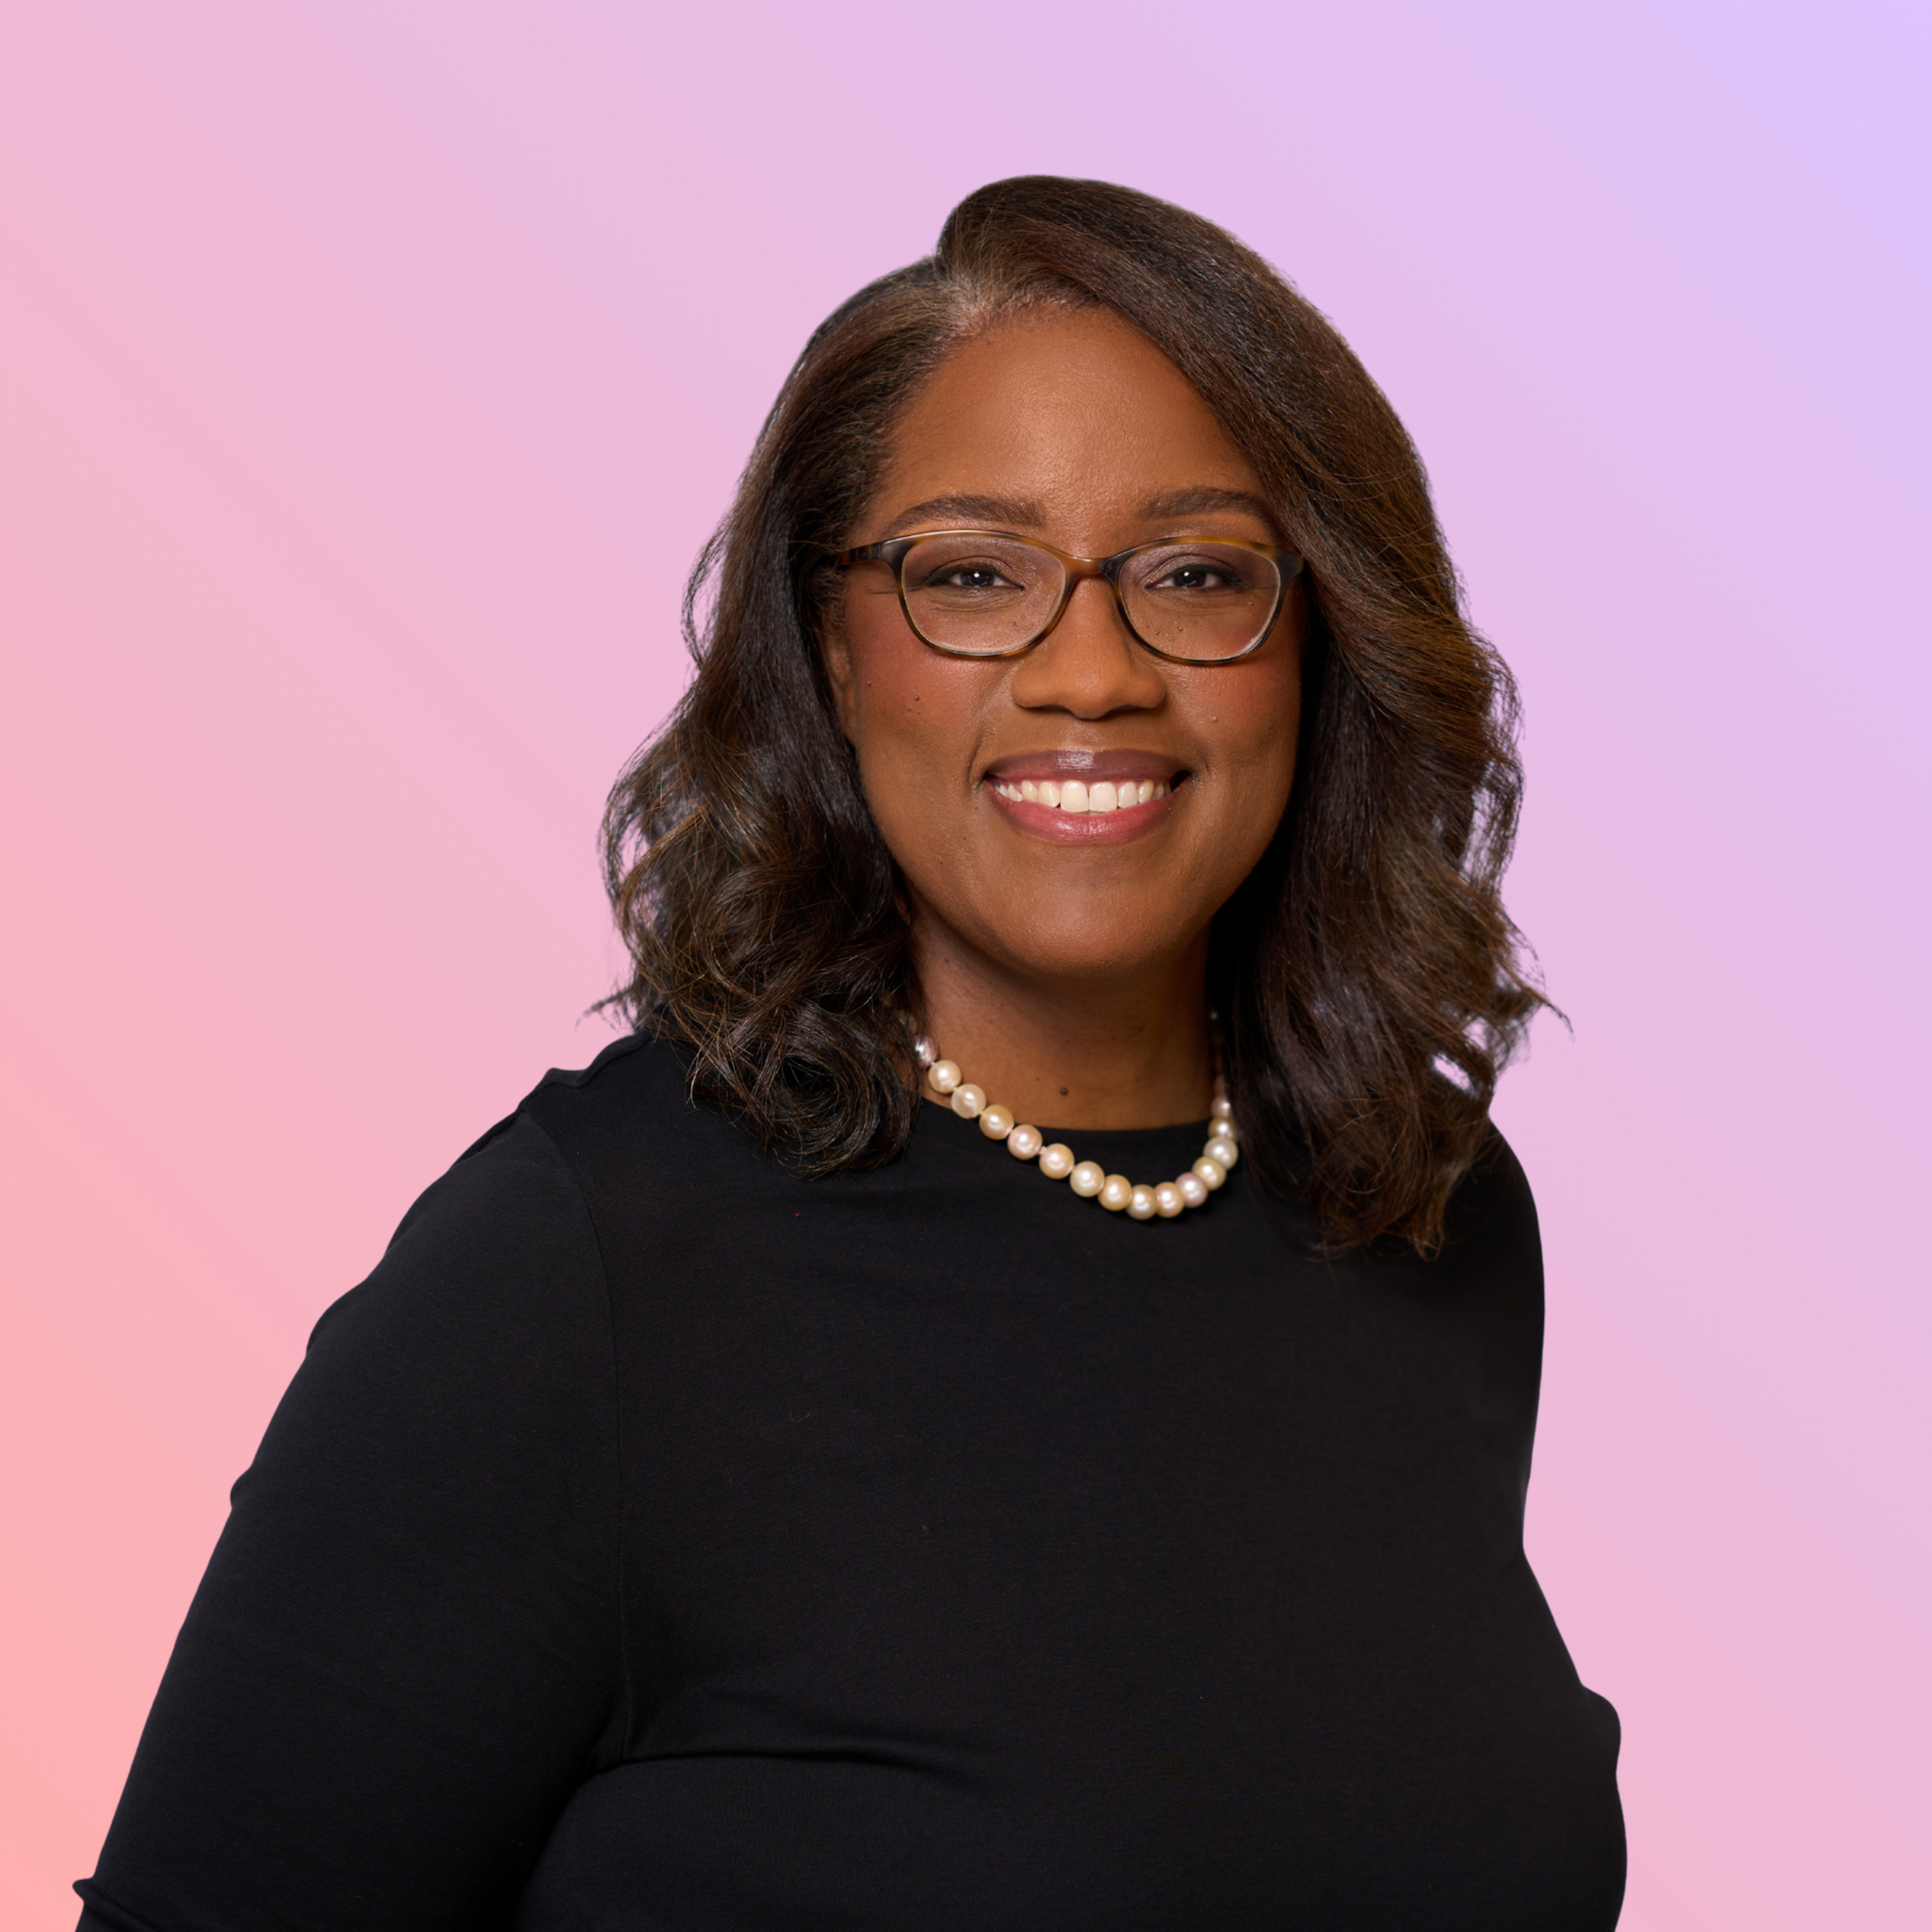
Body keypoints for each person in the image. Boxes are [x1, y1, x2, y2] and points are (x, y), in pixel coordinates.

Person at [77, 176, 1626, 1930]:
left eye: (1196, 574)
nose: (1091, 672)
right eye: (971, 574)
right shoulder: (578, 1275)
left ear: (1318, 635)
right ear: (827, 645)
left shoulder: (1421, 1214)